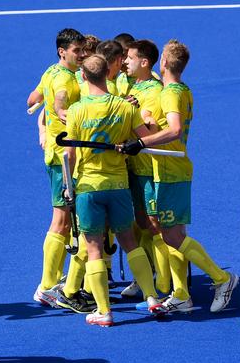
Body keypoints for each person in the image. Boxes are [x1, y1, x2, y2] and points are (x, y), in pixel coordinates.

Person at [119, 39, 239, 313]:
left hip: (172, 171)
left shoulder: (171, 93)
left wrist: (140, 142)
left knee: (172, 236)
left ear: (162, 63)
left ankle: (222, 278)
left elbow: (173, 130)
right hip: (166, 169)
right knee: (171, 233)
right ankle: (182, 295)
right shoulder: (181, 89)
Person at [63, 54, 167, 326]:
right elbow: (145, 135)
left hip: (88, 187)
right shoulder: (124, 107)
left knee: (94, 248)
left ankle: (104, 311)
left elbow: (70, 155)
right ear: (108, 72)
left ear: (84, 77)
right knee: (130, 241)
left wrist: (67, 185)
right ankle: (152, 297)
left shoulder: (76, 111)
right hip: (119, 184)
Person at [27, 28, 86, 307]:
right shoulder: (63, 79)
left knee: (65, 219)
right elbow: (62, 107)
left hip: (55, 153)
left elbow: (31, 99)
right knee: (61, 221)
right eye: (77, 51)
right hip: (63, 157)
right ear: (62, 51)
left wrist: (43, 106)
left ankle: (53, 280)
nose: (82, 55)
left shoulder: (49, 72)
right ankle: (47, 285)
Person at [119, 39, 172, 299]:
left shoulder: (153, 91)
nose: (124, 62)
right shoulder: (128, 83)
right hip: (131, 166)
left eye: (129, 58)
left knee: (154, 224)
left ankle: (163, 285)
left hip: (148, 168)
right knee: (140, 223)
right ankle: (146, 277)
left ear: (144, 62)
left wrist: (134, 110)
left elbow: (149, 127)